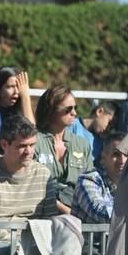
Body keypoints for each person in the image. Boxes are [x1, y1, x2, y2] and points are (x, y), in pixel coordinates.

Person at [0, 115, 58, 255]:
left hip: (36, 242)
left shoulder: (43, 174)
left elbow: (50, 221)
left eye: (32, 145)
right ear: (4, 144)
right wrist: (20, 246)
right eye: (22, 146)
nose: (29, 151)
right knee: (10, 254)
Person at [34, 84, 94, 213]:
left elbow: (90, 184)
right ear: (51, 110)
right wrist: (65, 210)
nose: (74, 113)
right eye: (68, 109)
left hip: (78, 211)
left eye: (75, 108)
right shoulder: (33, 142)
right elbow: (31, 184)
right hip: (42, 211)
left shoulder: (82, 144)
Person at [72, 132, 127, 224]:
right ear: (103, 157)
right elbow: (100, 212)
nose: (122, 160)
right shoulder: (88, 180)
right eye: (116, 154)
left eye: (127, 154)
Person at [67, 101, 118, 167]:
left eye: (112, 127)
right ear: (99, 112)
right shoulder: (72, 125)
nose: (109, 128)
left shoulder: (101, 142)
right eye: (109, 122)